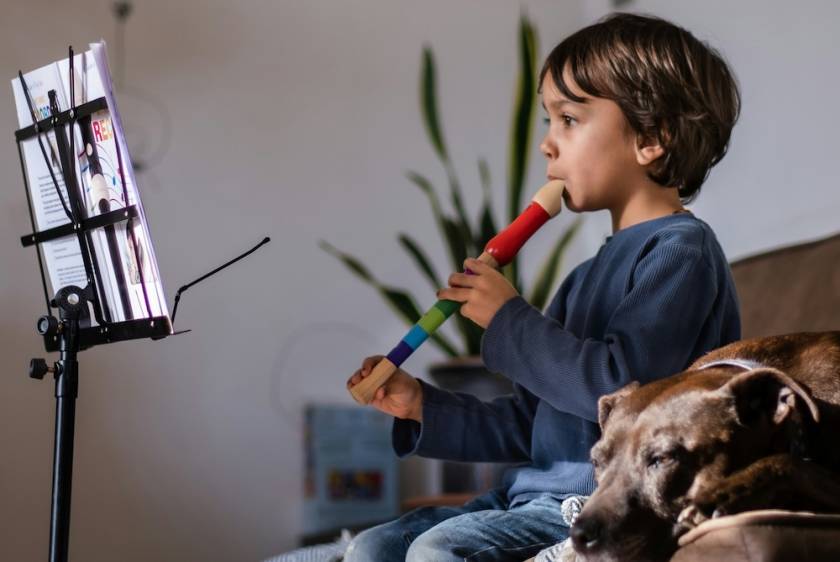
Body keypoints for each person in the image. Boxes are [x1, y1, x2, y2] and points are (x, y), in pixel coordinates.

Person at [344, 12, 742, 562]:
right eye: (549, 121)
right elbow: (529, 425)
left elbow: (623, 394)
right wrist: (422, 407)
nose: (547, 146)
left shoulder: (680, 253)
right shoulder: (583, 278)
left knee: (436, 552)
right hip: (528, 499)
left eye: (569, 119)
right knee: (374, 546)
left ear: (651, 138)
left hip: (602, 502)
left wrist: (509, 319)